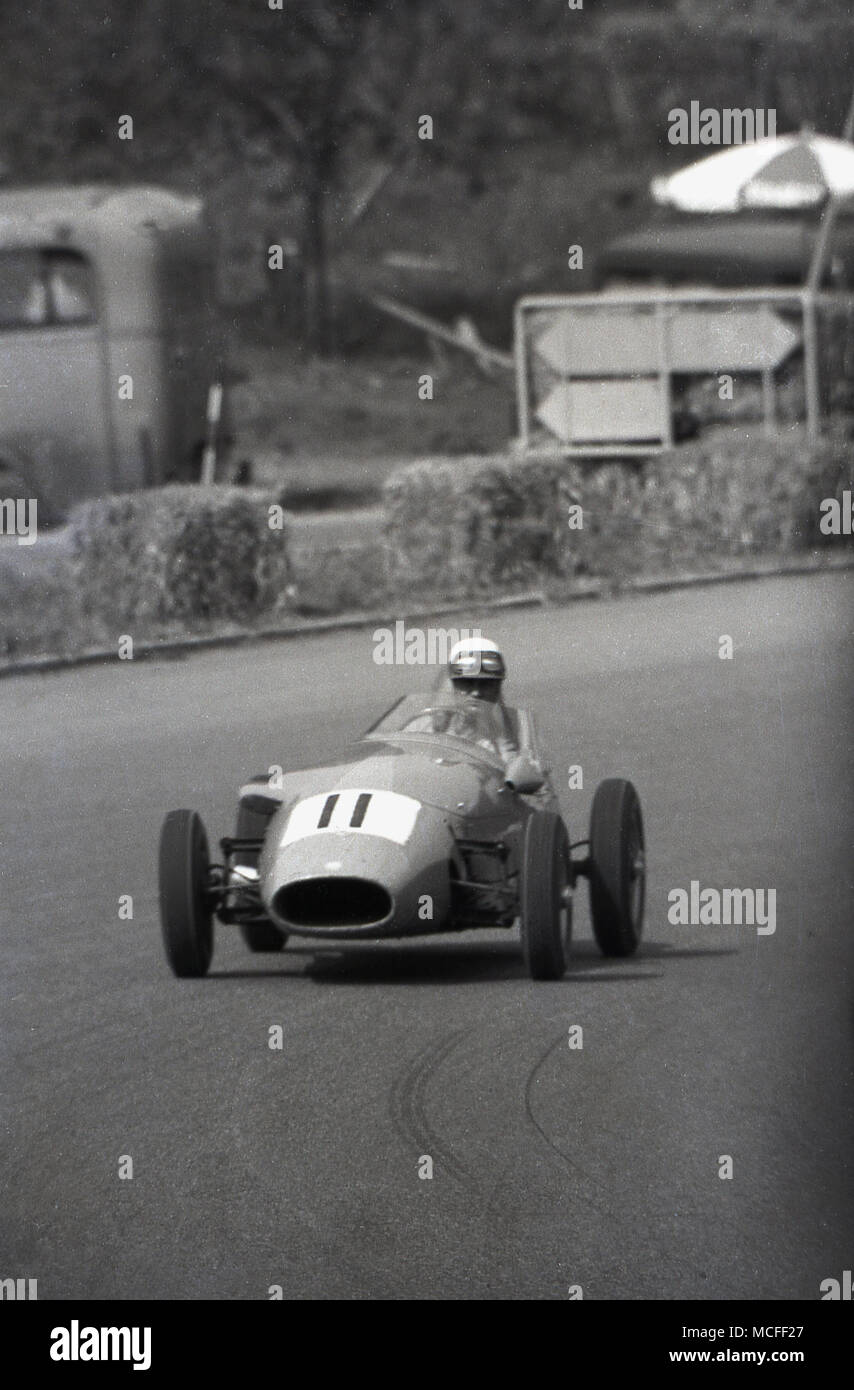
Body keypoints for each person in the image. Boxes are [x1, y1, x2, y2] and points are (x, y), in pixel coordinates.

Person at [446, 637, 519, 761]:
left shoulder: (517, 726)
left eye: (486, 683)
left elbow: (538, 769)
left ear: (498, 687)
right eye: (466, 683)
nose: (476, 692)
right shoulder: (427, 726)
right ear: (453, 685)